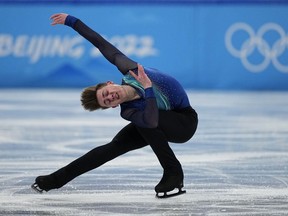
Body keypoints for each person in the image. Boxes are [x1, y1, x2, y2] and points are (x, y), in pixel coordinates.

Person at [32, 13, 198, 198]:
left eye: (106, 93)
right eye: (108, 101)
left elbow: (100, 43)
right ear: (112, 106)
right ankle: (54, 180)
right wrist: (148, 89)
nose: (110, 97)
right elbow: (150, 122)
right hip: (154, 120)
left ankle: (174, 173)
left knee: (145, 122)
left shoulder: (130, 69)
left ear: (110, 83)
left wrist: (72, 21)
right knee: (114, 146)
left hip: (185, 121)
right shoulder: (129, 111)